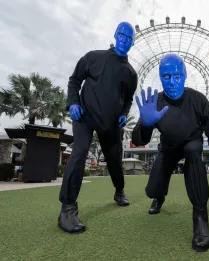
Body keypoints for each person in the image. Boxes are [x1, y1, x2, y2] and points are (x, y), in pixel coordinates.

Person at [132, 54, 209, 251]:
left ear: (184, 76)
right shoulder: (154, 102)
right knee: (151, 190)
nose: (172, 82)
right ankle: (159, 197)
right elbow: (140, 140)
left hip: (192, 143)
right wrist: (146, 125)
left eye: (176, 76)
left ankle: (200, 218)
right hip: (168, 148)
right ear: (160, 77)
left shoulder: (198, 100)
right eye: (166, 77)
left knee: (193, 151)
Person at [58, 22, 138, 233]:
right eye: (121, 34)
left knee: (114, 162)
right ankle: (67, 209)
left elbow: (128, 99)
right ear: (115, 34)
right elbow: (74, 81)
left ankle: (119, 191)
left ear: (132, 42)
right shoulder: (93, 57)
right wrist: (73, 102)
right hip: (84, 116)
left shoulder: (131, 74)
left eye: (129, 37)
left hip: (110, 124)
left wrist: (123, 114)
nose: (124, 39)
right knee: (79, 152)